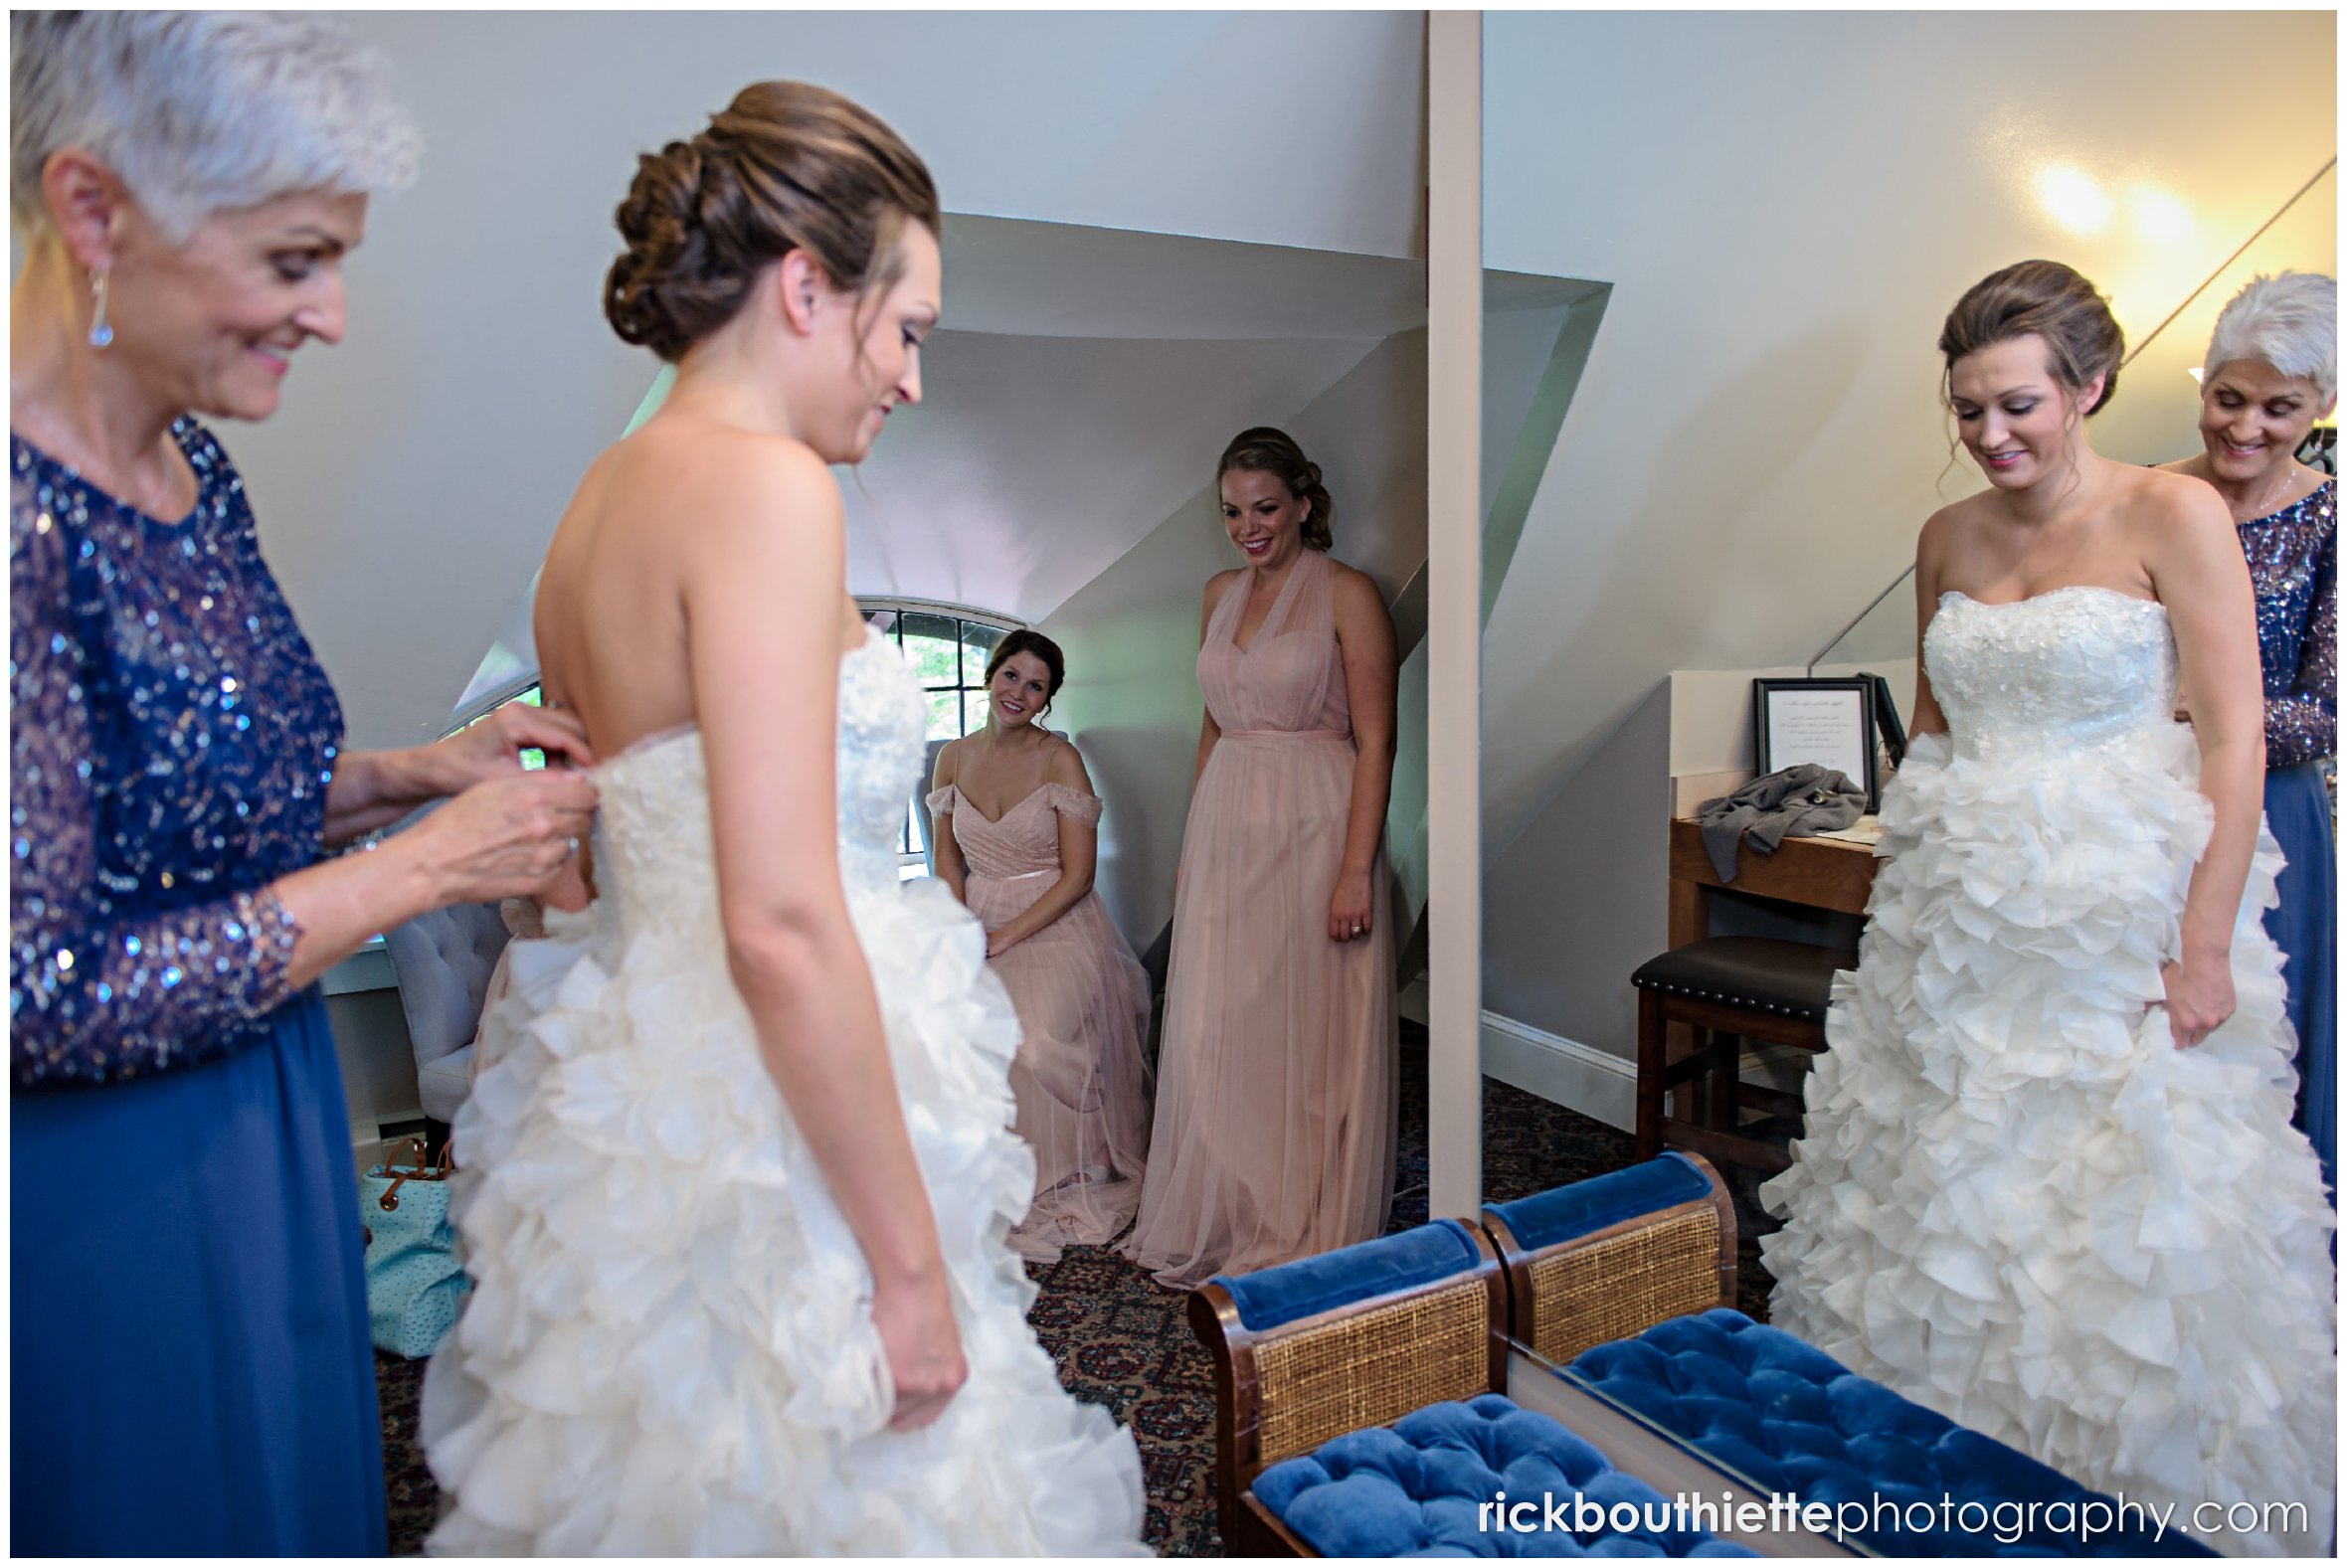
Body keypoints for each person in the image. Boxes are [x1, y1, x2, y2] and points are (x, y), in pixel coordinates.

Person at [418, 81, 1146, 1554]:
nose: (913, 380)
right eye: (910, 331)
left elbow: (566, 885)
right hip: (774, 1117)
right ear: (809, 289)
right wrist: (907, 1272)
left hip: (645, 1100)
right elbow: (779, 916)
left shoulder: (593, 507)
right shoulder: (765, 487)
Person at [8, 13, 598, 1556]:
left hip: (261, 1103)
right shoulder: (18, 523)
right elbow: (37, 988)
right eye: (291, 260)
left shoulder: (197, 471)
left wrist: (420, 771)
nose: (330, 314)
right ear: (92, 213)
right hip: (95, 1176)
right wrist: (423, 867)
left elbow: (212, 790)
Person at [1760, 261, 2335, 1554]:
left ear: (2089, 387)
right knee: (1945, 1182)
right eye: (1968, 411)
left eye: (2018, 404)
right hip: (1958, 926)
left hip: (2117, 921)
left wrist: (2202, 948)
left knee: (2107, 1209)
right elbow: (1936, 722)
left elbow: (2237, 743)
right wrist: (1914, 881)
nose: (1992, 435)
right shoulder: (1945, 537)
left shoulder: (2173, 513)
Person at [1122, 427, 1400, 1290]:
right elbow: (1212, 720)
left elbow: (1378, 739)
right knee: (1217, 1021)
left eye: (1266, 507)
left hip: (1314, 820)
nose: (1249, 526)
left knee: (1302, 1022)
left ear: (1303, 504)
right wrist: (1189, 843)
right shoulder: (1216, 593)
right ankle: (1231, 1195)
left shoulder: (1348, 594)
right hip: (1227, 819)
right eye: (1233, 512)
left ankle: (1296, 1210)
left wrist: (1358, 869)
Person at [2156, 271, 2336, 1202]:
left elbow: (2329, 713)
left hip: (2275, 816)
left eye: (2281, 408)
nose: (2247, 426)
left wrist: (2212, 708)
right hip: (2138, 804)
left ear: (2324, 406)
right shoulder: (2147, 495)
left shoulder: (2331, 517)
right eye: (2229, 398)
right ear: (2203, 385)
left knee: (2254, 1045)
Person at [928, 629, 1154, 1261]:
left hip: (1055, 916)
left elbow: (1079, 876)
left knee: (1038, 1040)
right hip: (977, 912)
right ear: (990, 674)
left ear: (1048, 698)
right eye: (1011, 676)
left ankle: (1077, 1163)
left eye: (1036, 686)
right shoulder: (953, 755)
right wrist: (959, 925)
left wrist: (1004, 936)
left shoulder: (1061, 760)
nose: (1018, 693)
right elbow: (947, 858)